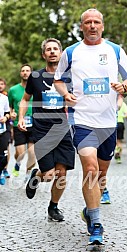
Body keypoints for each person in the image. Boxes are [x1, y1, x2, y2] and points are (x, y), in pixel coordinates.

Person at [54, 8, 127, 245]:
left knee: (100, 175)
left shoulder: (115, 50)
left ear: (102, 25)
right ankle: (97, 224)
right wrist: (65, 94)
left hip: (108, 123)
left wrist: (124, 87)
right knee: (89, 168)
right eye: (87, 22)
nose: (92, 25)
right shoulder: (71, 52)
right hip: (83, 121)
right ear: (82, 26)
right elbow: (58, 79)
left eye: (96, 22)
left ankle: (89, 211)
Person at [18, 38, 75, 222]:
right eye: (48, 49)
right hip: (42, 130)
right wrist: (20, 118)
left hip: (62, 128)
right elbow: (25, 99)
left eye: (55, 49)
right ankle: (37, 175)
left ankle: (53, 207)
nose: (52, 52)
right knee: (49, 175)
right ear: (44, 54)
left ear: (60, 53)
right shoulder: (35, 77)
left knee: (62, 174)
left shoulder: (69, 76)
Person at [8, 64, 36, 182]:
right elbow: (9, 107)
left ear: (31, 73)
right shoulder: (13, 90)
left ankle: (28, 174)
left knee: (32, 153)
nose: (25, 73)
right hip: (18, 124)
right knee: (20, 153)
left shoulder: (36, 88)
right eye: (23, 71)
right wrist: (11, 113)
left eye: (27, 71)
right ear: (20, 74)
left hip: (34, 124)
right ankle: (17, 163)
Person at [0, 78, 11, 178]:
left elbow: (8, 112)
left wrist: (5, 117)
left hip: (2, 129)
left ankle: (1, 171)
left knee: (3, 154)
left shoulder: (4, 98)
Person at [114, 94, 127, 164]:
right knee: (120, 141)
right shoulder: (123, 104)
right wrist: (122, 116)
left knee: (115, 140)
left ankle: (116, 149)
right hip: (120, 123)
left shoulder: (112, 103)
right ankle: (119, 157)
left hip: (113, 123)